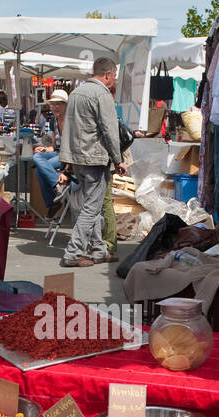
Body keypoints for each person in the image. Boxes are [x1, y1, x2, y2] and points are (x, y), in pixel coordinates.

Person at [59, 58, 124, 268]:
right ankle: (72, 252)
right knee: (91, 208)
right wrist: (118, 158)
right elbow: (109, 129)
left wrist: (67, 159)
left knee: (91, 205)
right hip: (94, 157)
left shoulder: (77, 92)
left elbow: (68, 127)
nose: (114, 80)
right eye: (114, 76)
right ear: (107, 75)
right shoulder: (101, 93)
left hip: (77, 156)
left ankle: (99, 250)